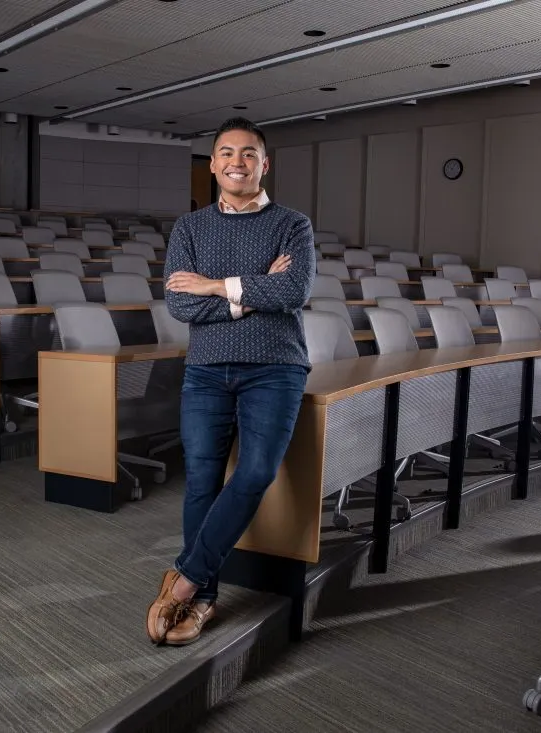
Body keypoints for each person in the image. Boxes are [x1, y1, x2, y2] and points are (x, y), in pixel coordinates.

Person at [146, 117, 315, 646]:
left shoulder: (294, 225)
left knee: (256, 474)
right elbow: (180, 304)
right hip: (205, 372)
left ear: (264, 164)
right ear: (214, 164)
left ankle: (186, 581)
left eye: (248, 153)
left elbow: (293, 292)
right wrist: (249, 295)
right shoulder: (189, 228)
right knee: (200, 483)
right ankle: (204, 602)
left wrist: (215, 286)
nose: (237, 162)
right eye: (226, 153)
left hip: (276, 368)